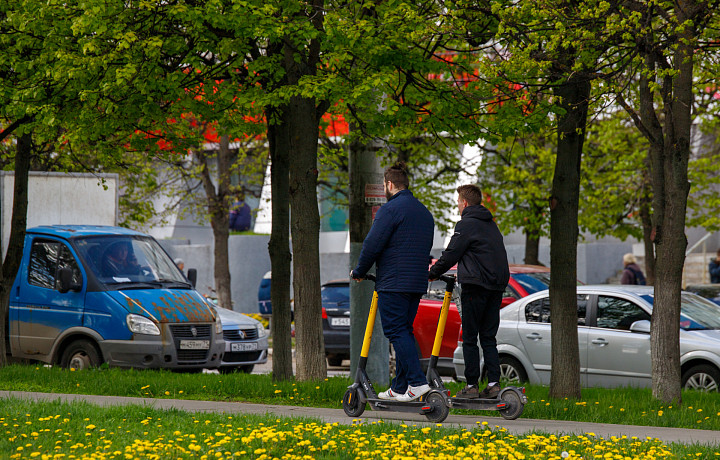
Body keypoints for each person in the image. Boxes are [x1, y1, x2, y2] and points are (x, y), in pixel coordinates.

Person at [350, 162, 435, 402]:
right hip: (417, 282)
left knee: (396, 331)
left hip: (394, 281)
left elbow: (372, 244)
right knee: (404, 331)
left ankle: (417, 383)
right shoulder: (424, 212)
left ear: (388, 185)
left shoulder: (390, 210)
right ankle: (399, 387)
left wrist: (359, 271)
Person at [429, 184, 509, 400]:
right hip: (496, 287)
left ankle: (472, 386)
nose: (457, 206)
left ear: (464, 202)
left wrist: (432, 272)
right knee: (488, 337)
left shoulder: (466, 225)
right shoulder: (491, 225)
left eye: (457, 202)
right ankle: (493, 384)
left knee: (470, 337)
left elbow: (452, 252)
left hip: (475, 286)